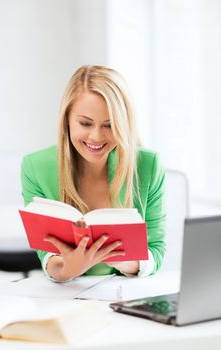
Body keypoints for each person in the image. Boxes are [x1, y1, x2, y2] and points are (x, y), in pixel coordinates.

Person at [21, 65, 166, 282]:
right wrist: (68, 268)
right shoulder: (36, 167)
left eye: (109, 125)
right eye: (85, 123)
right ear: (67, 120)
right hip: (68, 298)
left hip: (124, 296)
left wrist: (124, 260)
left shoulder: (148, 165)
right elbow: (47, 256)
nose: (96, 136)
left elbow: (156, 249)